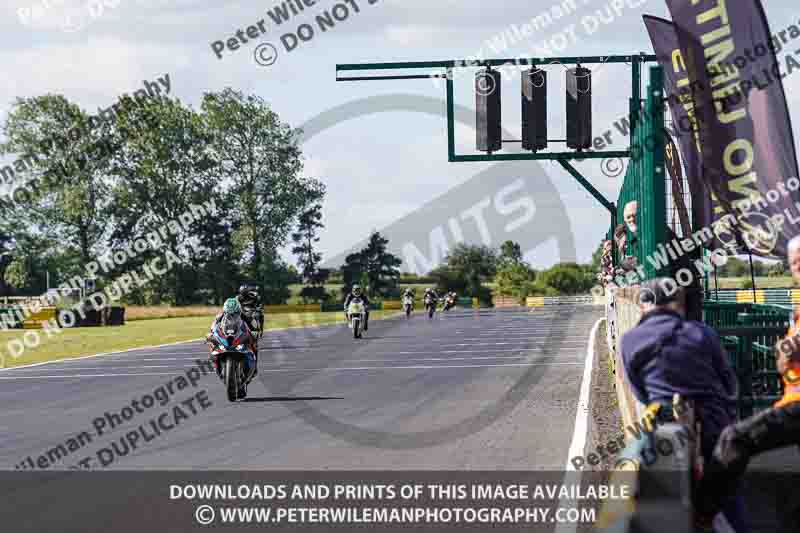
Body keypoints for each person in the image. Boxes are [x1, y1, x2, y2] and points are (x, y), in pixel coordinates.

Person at [620, 278, 747, 531]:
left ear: (644, 305)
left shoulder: (630, 339)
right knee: (728, 492)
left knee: (629, 474)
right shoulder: (702, 332)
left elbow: (640, 392)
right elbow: (729, 383)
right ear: (679, 304)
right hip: (712, 424)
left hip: (662, 424)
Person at [697, 236, 800, 528]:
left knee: (736, 438)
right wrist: (787, 348)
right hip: (791, 399)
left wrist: (788, 348)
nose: (797, 268)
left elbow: (788, 350)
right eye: (794, 263)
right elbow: (782, 356)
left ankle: (701, 513)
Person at [206, 297, 259, 381]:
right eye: (228, 313)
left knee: (254, 345)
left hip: (240, 336)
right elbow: (213, 328)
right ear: (225, 310)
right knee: (212, 342)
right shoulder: (219, 317)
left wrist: (255, 332)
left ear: (238, 310)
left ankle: (254, 366)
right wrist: (211, 335)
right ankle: (216, 362)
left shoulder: (245, 316)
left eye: (234, 313)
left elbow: (254, 326)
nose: (231, 316)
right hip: (226, 338)